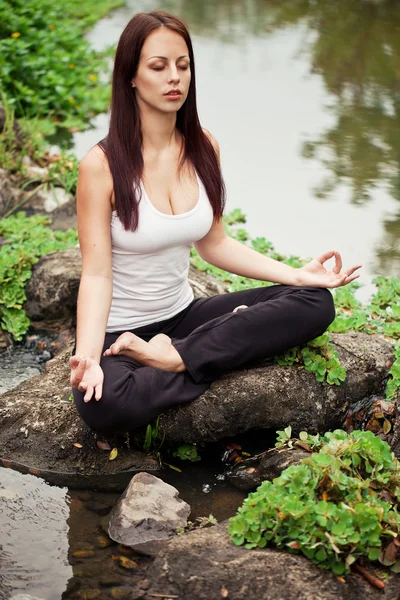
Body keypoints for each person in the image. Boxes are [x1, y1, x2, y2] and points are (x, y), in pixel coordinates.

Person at [70, 10, 361, 435]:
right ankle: (203, 351)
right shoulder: (101, 166)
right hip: (120, 332)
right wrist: (92, 358)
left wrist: (297, 274)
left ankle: (177, 355)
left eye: (183, 66)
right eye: (158, 66)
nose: (175, 78)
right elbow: (96, 276)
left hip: (183, 317)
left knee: (314, 301)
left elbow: (215, 243)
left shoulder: (204, 146)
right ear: (130, 76)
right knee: (106, 405)